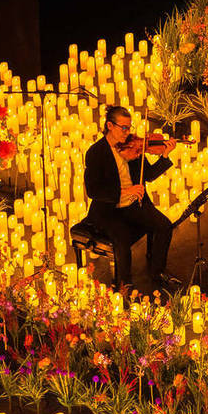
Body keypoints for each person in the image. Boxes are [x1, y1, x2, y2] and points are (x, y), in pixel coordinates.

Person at [83, 105, 180, 290]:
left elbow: (149, 174)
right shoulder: (96, 153)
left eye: (129, 128)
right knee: (122, 238)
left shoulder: (133, 146)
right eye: (124, 128)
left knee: (164, 226)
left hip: (133, 205)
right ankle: (124, 283)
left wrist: (165, 155)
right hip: (109, 211)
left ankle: (157, 272)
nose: (128, 133)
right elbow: (93, 191)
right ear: (110, 126)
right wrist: (125, 191)